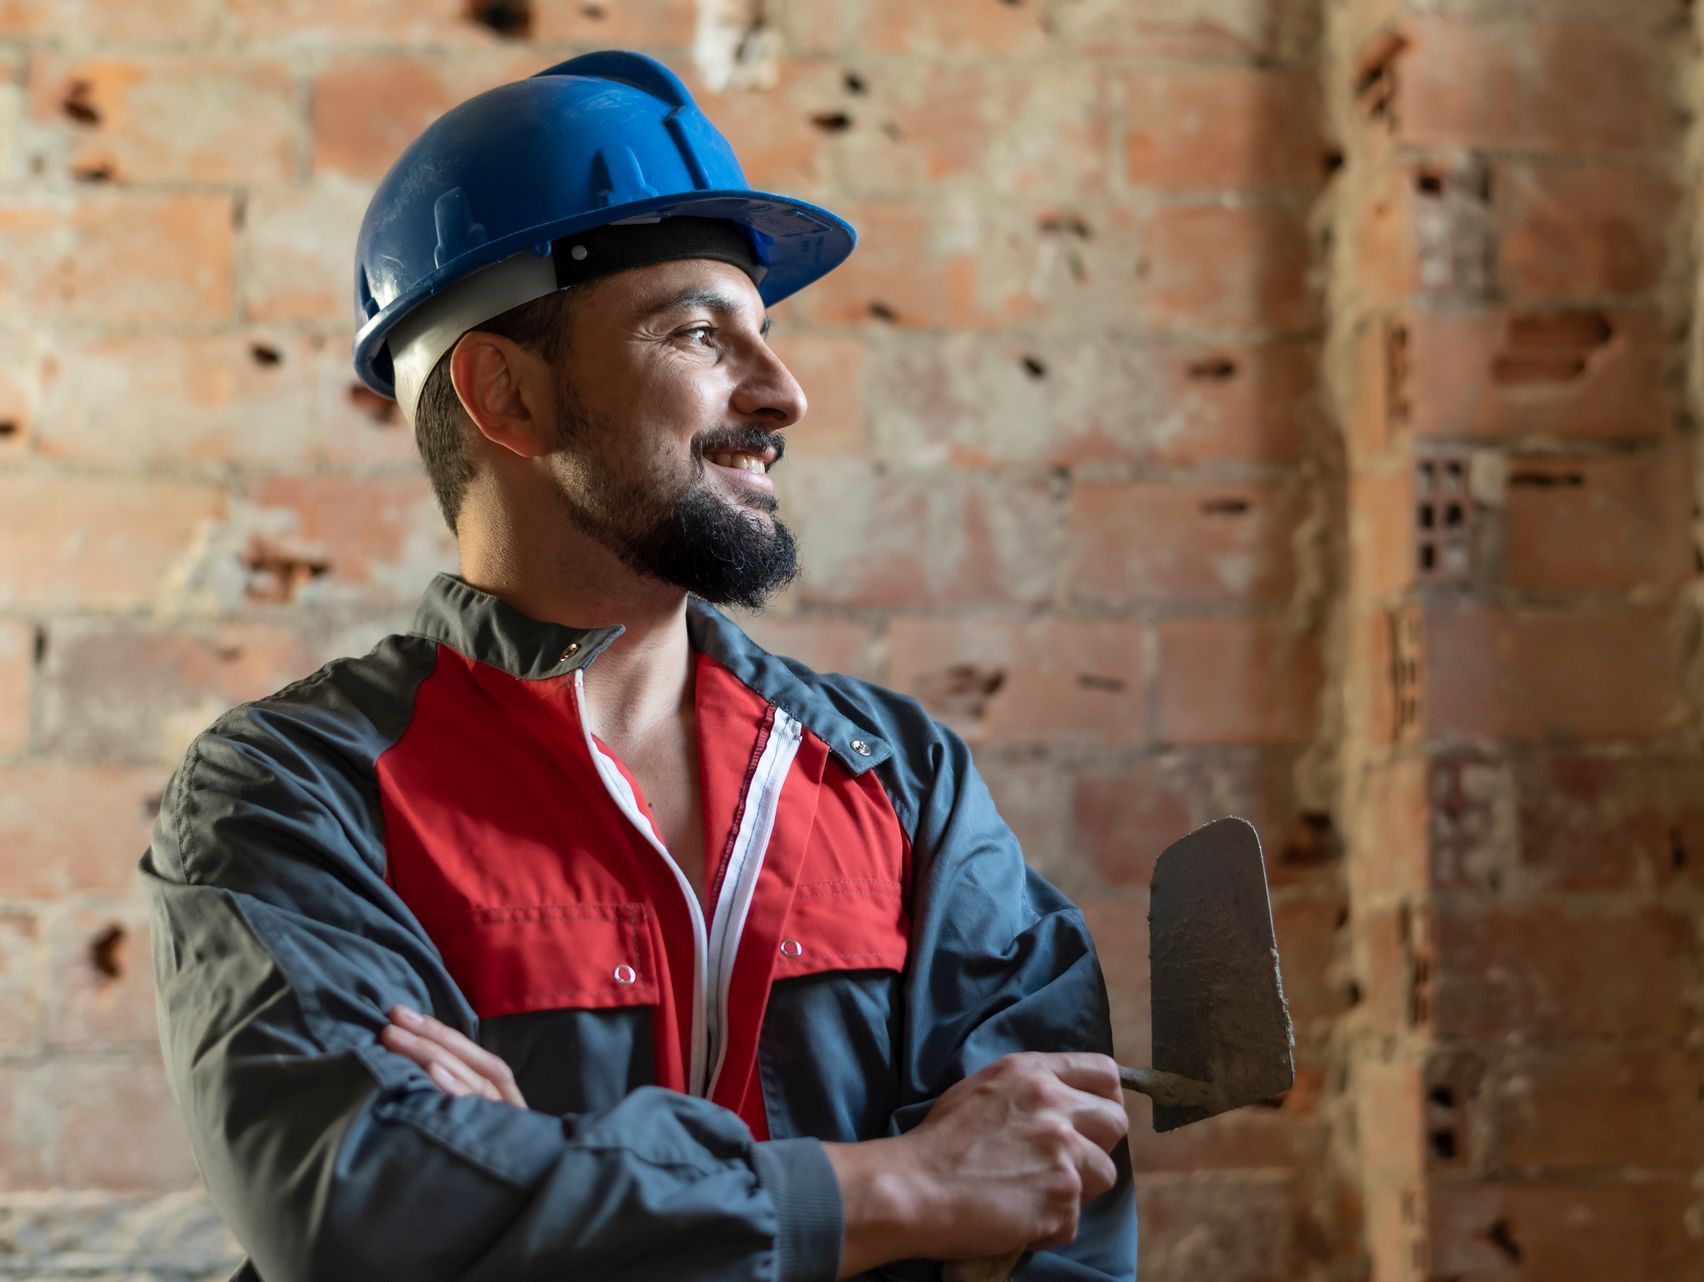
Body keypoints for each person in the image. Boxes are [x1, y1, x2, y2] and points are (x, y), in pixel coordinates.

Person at [140, 49, 1135, 1282]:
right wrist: (898, 1184)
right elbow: (365, 1210)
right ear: (506, 392)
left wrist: (532, 1167)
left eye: (763, 334)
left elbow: (1052, 1195)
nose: (785, 394)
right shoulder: (296, 791)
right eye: (699, 333)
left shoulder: (901, 779)